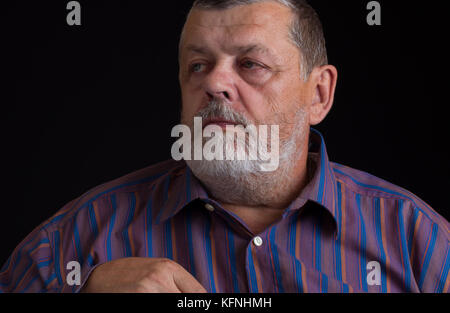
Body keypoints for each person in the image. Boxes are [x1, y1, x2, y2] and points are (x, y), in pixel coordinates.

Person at [1, 0, 448, 293]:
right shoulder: (73, 244)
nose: (215, 82)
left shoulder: (417, 242)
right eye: (198, 65)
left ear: (319, 94)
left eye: (250, 64)